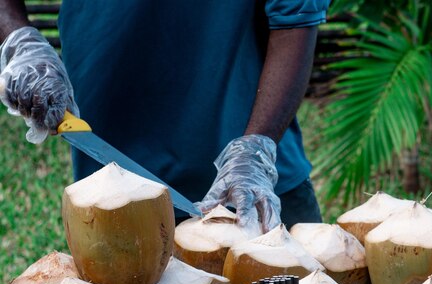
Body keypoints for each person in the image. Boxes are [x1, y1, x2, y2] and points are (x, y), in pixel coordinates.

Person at [0, 0, 328, 231]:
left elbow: (295, 21)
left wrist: (256, 148)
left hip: (252, 190)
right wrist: (19, 40)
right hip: (111, 195)